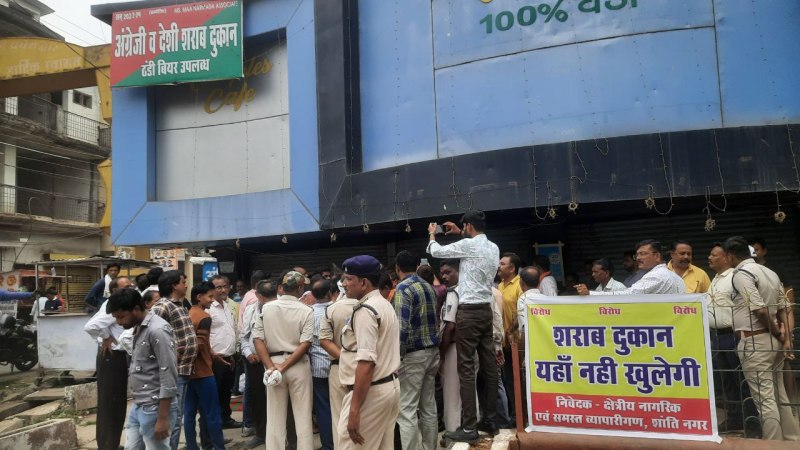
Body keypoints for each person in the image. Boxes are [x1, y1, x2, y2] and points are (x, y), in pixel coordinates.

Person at [427, 210, 500, 442]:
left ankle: (469, 427)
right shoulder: (493, 247)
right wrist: (461, 233)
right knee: (489, 366)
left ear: (468, 226)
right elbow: (471, 246)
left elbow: (436, 251)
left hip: (468, 312)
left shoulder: (469, 247)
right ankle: (490, 419)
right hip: (485, 311)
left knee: (466, 368)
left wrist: (432, 235)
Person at [724, 236, 798, 441]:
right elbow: (784, 307)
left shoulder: (742, 273)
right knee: (779, 394)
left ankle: (772, 445)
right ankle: (791, 440)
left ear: (731, 256)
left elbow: (759, 309)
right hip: (773, 341)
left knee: (764, 400)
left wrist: (775, 331)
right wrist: (784, 338)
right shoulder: (771, 272)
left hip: (755, 340)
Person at [337, 255, 400, 449]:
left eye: (349, 279)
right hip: (387, 387)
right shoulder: (383, 304)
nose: (344, 284)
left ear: (363, 283)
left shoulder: (366, 310)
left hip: (370, 393)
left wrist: (355, 410)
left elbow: (366, 363)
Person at [107, 288, 178, 450]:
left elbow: (169, 374)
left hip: (155, 407)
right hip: (139, 404)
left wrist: (162, 418)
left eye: (120, 317)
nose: (118, 322)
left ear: (136, 309)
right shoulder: (139, 326)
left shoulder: (157, 330)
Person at [253, 271, 315, 450]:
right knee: (303, 416)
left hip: (273, 363)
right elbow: (306, 343)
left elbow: (257, 339)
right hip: (298, 365)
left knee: (274, 417)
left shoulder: (266, 308)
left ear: (281, 287)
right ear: (300, 288)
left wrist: (271, 367)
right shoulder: (306, 310)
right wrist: (284, 366)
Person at [706, 243, 760, 437]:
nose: (709, 258)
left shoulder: (734, 277)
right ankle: (735, 418)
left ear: (727, 257)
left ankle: (753, 422)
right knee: (726, 381)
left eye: (714, 255)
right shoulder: (715, 279)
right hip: (716, 336)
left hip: (732, 335)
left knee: (742, 380)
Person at [392, 250, 439, 450]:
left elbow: (401, 327)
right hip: (432, 351)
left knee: (407, 409)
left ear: (397, 268)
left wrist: (396, 357)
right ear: (417, 267)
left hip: (413, 355)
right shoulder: (428, 286)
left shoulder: (402, 288)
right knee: (428, 405)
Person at [83, 276, 133, 450]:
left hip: (118, 357)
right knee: (109, 403)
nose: (130, 288)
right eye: (125, 287)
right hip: (111, 356)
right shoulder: (111, 305)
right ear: (113, 292)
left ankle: (112, 443)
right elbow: (91, 326)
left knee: (118, 403)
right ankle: (106, 445)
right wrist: (106, 337)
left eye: (131, 285)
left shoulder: (124, 304)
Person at [152, 270, 198, 450]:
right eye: (183, 281)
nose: (186, 285)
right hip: (173, 373)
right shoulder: (162, 306)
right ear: (174, 285)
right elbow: (147, 335)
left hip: (184, 371)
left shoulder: (179, 305)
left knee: (177, 418)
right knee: (172, 419)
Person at [184, 282, 226, 450]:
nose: (211, 299)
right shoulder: (204, 317)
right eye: (209, 296)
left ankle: (192, 446)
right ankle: (218, 447)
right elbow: (199, 345)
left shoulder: (187, 314)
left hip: (187, 371)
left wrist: (212, 354)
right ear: (198, 297)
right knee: (212, 414)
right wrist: (208, 357)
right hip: (203, 372)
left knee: (189, 413)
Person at [319, 278, 360, 447]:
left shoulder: (331, 309)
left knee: (338, 418)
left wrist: (345, 358)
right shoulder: (370, 306)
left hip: (338, 368)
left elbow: (324, 340)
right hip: (366, 368)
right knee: (363, 417)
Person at [575, 240, 685, 296]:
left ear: (657, 256)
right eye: (637, 255)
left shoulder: (656, 276)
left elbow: (627, 295)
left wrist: (590, 293)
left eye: (643, 254)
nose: (638, 258)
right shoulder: (676, 277)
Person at [239, 280, 275, 448]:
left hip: (277, 360)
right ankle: (261, 433)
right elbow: (244, 336)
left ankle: (280, 434)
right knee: (258, 398)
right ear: (258, 297)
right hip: (255, 361)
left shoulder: (279, 308)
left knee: (278, 399)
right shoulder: (250, 310)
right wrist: (248, 353)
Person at [208, 275, 242, 429]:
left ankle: (225, 419)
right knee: (214, 392)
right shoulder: (209, 308)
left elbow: (230, 330)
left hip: (229, 356)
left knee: (226, 390)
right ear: (211, 289)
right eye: (218, 287)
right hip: (215, 358)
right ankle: (212, 424)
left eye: (224, 286)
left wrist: (233, 351)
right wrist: (212, 354)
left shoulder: (227, 306)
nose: (222, 290)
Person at [497, 252, 522, 426]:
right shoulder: (500, 286)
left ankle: (521, 416)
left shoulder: (520, 284)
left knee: (518, 380)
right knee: (508, 381)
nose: (499, 266)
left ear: (512, 268)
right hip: (503, 343)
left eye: (502, 263)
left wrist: (509, 329)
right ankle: (514, 415)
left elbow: (522, 311)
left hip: (516, 341)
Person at [310, 279, 334, 450]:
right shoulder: (337, 310)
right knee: (340, 405)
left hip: (318, 366)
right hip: (338, 364)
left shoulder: (308, 313)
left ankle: (328, 445)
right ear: (330, 294)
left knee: (323, 407)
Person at [438, 259, 461, 434]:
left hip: (453, 349)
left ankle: (454, 433)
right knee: (467, 392)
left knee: (452, 395)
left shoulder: (454, 293)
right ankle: (468, 428)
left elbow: (450, 326)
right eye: (442, 273)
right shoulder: (474, 290)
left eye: (448, 272)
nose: (444, 276)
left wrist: (442, 354)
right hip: (468, 348)